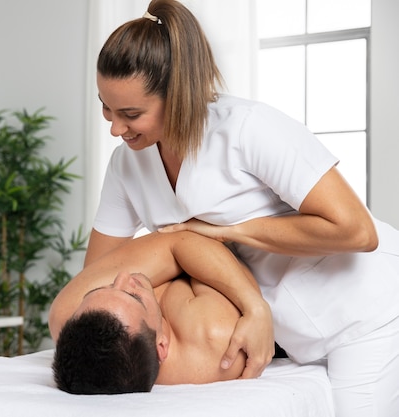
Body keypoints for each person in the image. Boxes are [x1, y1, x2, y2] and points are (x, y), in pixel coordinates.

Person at [86, 1, 399, 416]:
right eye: (106, 107)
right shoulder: (126, 165)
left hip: (367, 311)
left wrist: (226, 232)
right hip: (290, 335)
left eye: (131, 114)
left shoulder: (247, 129)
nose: (115, 128)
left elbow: (357, 231)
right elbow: (98, 277)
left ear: (176, 95)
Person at [48, 230, 271, 394]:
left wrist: (178, 274)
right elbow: (190, 240)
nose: (124, 276)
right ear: (161, 346)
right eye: (134, 296)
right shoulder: (218, 338)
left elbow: (180, 244)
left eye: (101, 289)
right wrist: (182, 265)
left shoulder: (69, 315)